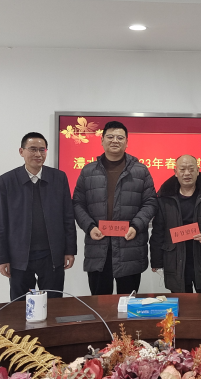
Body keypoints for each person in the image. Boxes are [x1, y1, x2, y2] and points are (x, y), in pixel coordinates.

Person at [73, 121, 157, 295]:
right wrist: (89, 227)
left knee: (128, 303)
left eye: (120, 137)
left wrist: (136, 226)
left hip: (130, 247)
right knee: (99, 303)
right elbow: (78, 203)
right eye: (110, 137)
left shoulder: (141, 171)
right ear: (102, 140)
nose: (115, 141)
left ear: (127, 142)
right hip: (98, 247)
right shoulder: (88, 171)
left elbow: (150, 202)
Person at [0, 132, 76, 301]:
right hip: (19, 256)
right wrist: (2, 258)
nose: (38, 154)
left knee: (54, 304)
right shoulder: (7, 180)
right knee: (20, 305)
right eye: (32, 149)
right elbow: (0, 222)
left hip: (52, 255)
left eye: (42, 150)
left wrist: (70, 250)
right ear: (21, 151)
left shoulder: (58, 178)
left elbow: (68, 216)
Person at [150, 155, 201, 293]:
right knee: (181, 302)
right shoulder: (164, 197)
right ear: (175, 172)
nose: (187, 173)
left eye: (191, 169)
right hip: (175, 257)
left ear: (198, 170)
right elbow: (158, 230)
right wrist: (156, 260)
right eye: (182, 169)